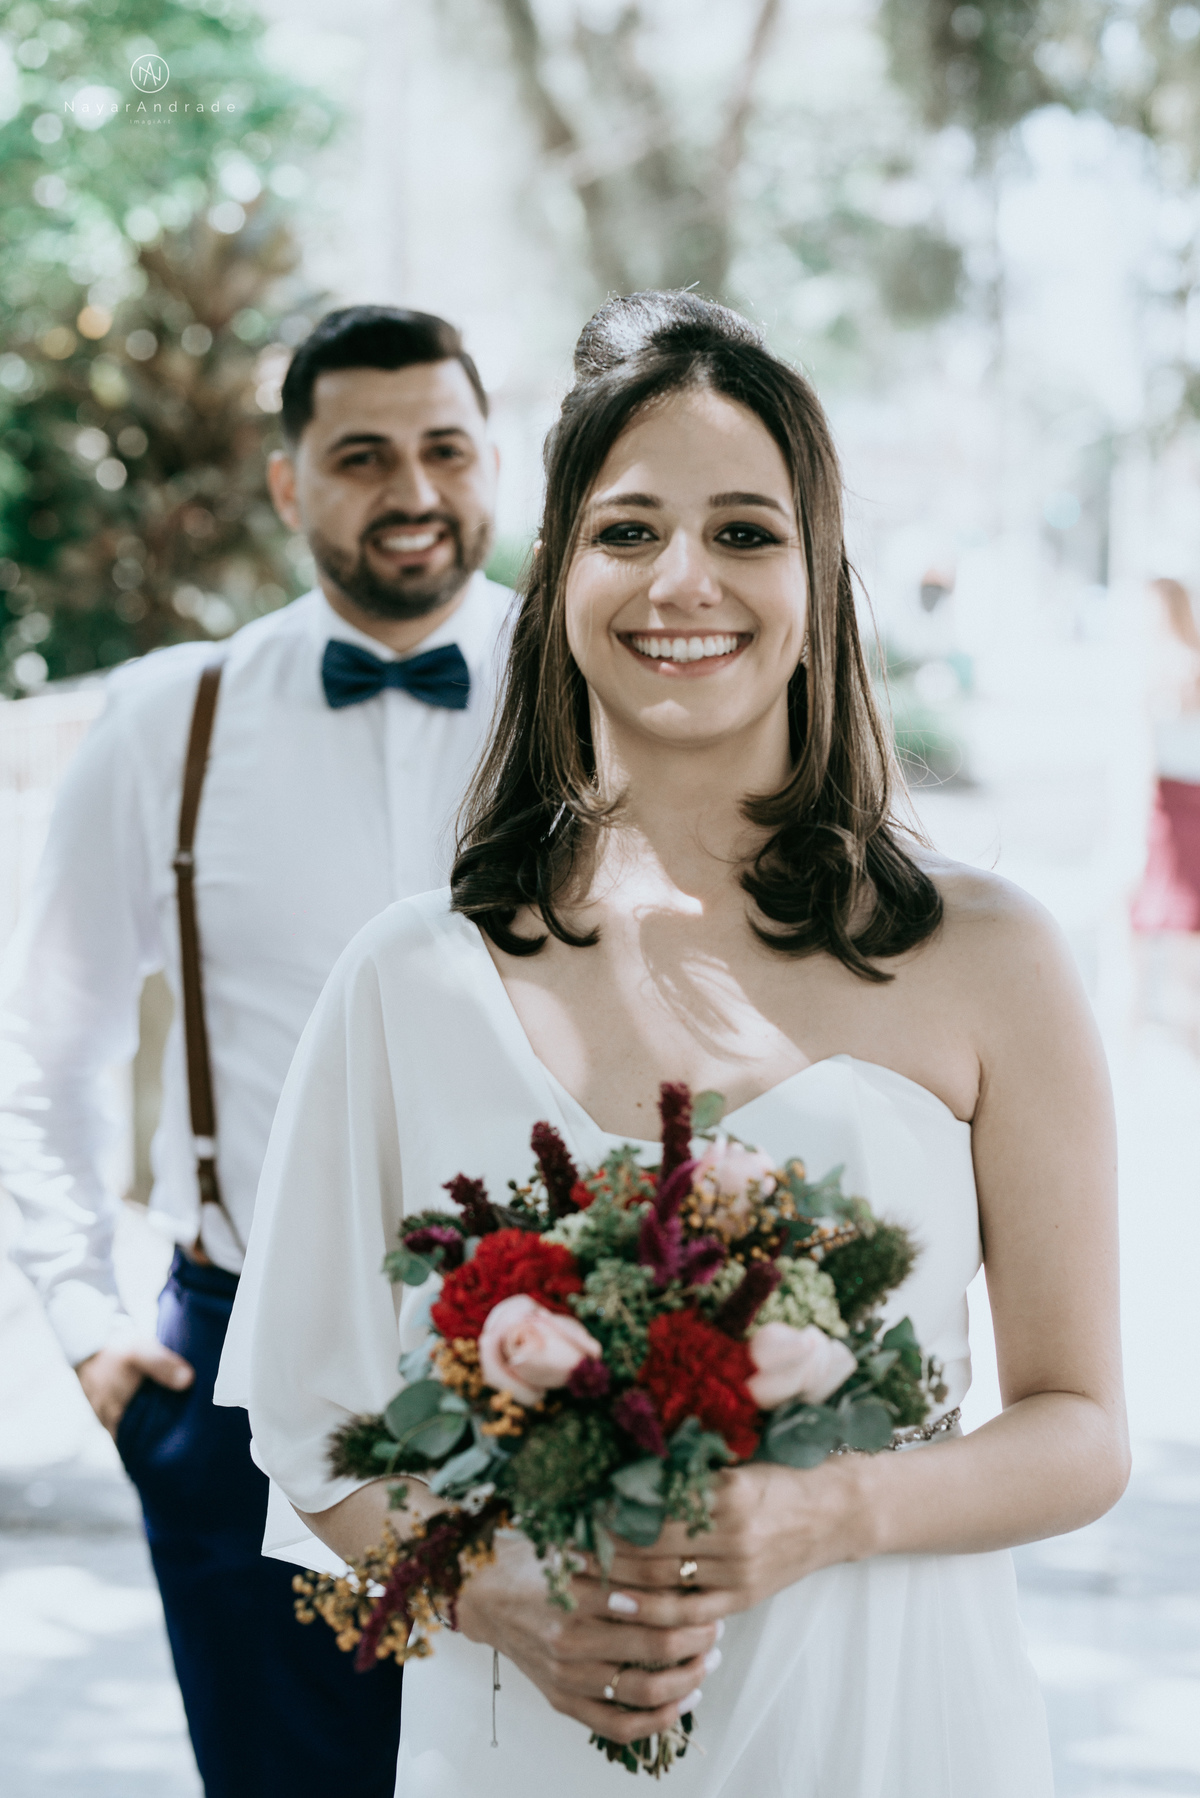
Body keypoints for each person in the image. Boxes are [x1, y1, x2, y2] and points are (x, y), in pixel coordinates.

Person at [221, 292, 1129, 1796]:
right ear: (558, 572)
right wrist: (498, 1598)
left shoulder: (991, 959)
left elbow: (1082, 1426)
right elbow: (313, 1428)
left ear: (820, 573)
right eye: (628, 530)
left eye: (747, 532)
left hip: (894, 1729)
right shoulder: (412, 978)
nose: (683, 580)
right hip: (537, 1742)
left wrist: (834, 1510)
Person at [0, 305, 514, 1798]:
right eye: (362, 455)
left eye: (445, 448)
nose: (412, 490)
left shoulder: (599, 699)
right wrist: (92, 1324)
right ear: (289, 484)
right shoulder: (173, 719)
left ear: (495, 461)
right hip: (238, 1367)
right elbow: (44, 1047)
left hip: (551, 1348)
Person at [1130, 576, 1200, 1041]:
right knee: (1156, 909)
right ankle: (1150, 1015)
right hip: (1163, 797)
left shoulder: (1181, 665)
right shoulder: (1158, 662)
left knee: (1178, 911)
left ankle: (1178, 1016)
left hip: (1179, 797)